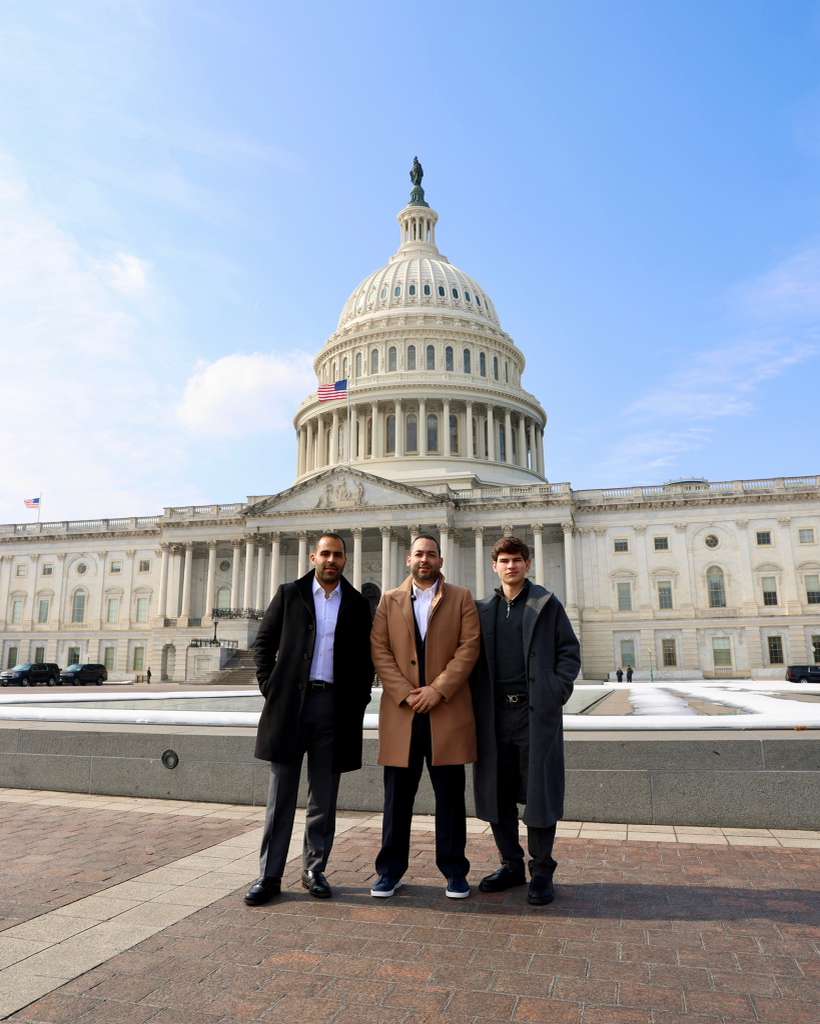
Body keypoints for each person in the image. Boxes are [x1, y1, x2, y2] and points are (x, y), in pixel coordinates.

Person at [244, 533, 373, 906]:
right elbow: (263, 644)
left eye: (337, 555)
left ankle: (314, 869)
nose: (331, 560)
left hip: (334, 708)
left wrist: (359, 700)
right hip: (290, 708)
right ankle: (269, 875)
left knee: (324, 797)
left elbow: (366, 659)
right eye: (325, 554)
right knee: (280, 795)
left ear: (345, 560)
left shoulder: (356, 603)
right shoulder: (290, 594)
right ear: (313, 557)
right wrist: (271, 687)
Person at [471, 536, 580, 906]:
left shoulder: (546, 605)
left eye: (517, 559)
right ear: (494, 566)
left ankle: (542, 870)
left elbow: (569, 652)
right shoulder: (483, 609)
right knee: (497, 792)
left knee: (539, 793)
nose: (511, 565)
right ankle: (511, 865)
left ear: (527, 564)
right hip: (494, 716)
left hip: (534, 714)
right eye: (504, 560)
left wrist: (555, 690)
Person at [370, 534, 480, 899]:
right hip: (403, 713)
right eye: (419, 554)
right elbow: (380, 650)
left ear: (440, 560)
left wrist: (438, 689)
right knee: (396, 799)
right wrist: (405, 692)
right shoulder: (388, 600)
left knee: (450, 798)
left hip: (445, 711)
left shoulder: (461, 598)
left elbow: (469, 648)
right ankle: (390, 871)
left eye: (431, 554)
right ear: (408, 559)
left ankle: (454, 870)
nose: (424, 560)